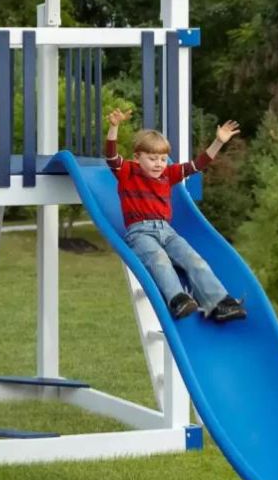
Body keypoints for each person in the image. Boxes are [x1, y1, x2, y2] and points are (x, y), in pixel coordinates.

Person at [105, 108, 246, 322]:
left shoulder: (167, 175)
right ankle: (178, 300)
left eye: (162, 159)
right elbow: (112, 157)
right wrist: (114, 127)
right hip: (140, 233)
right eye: (152, 158)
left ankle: (219, 303)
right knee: (159, 260)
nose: (159, 164)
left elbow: (197, 164)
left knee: (194, 260)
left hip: (167, 231)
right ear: (137, 157)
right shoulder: (128, 172)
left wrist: (218, 142)